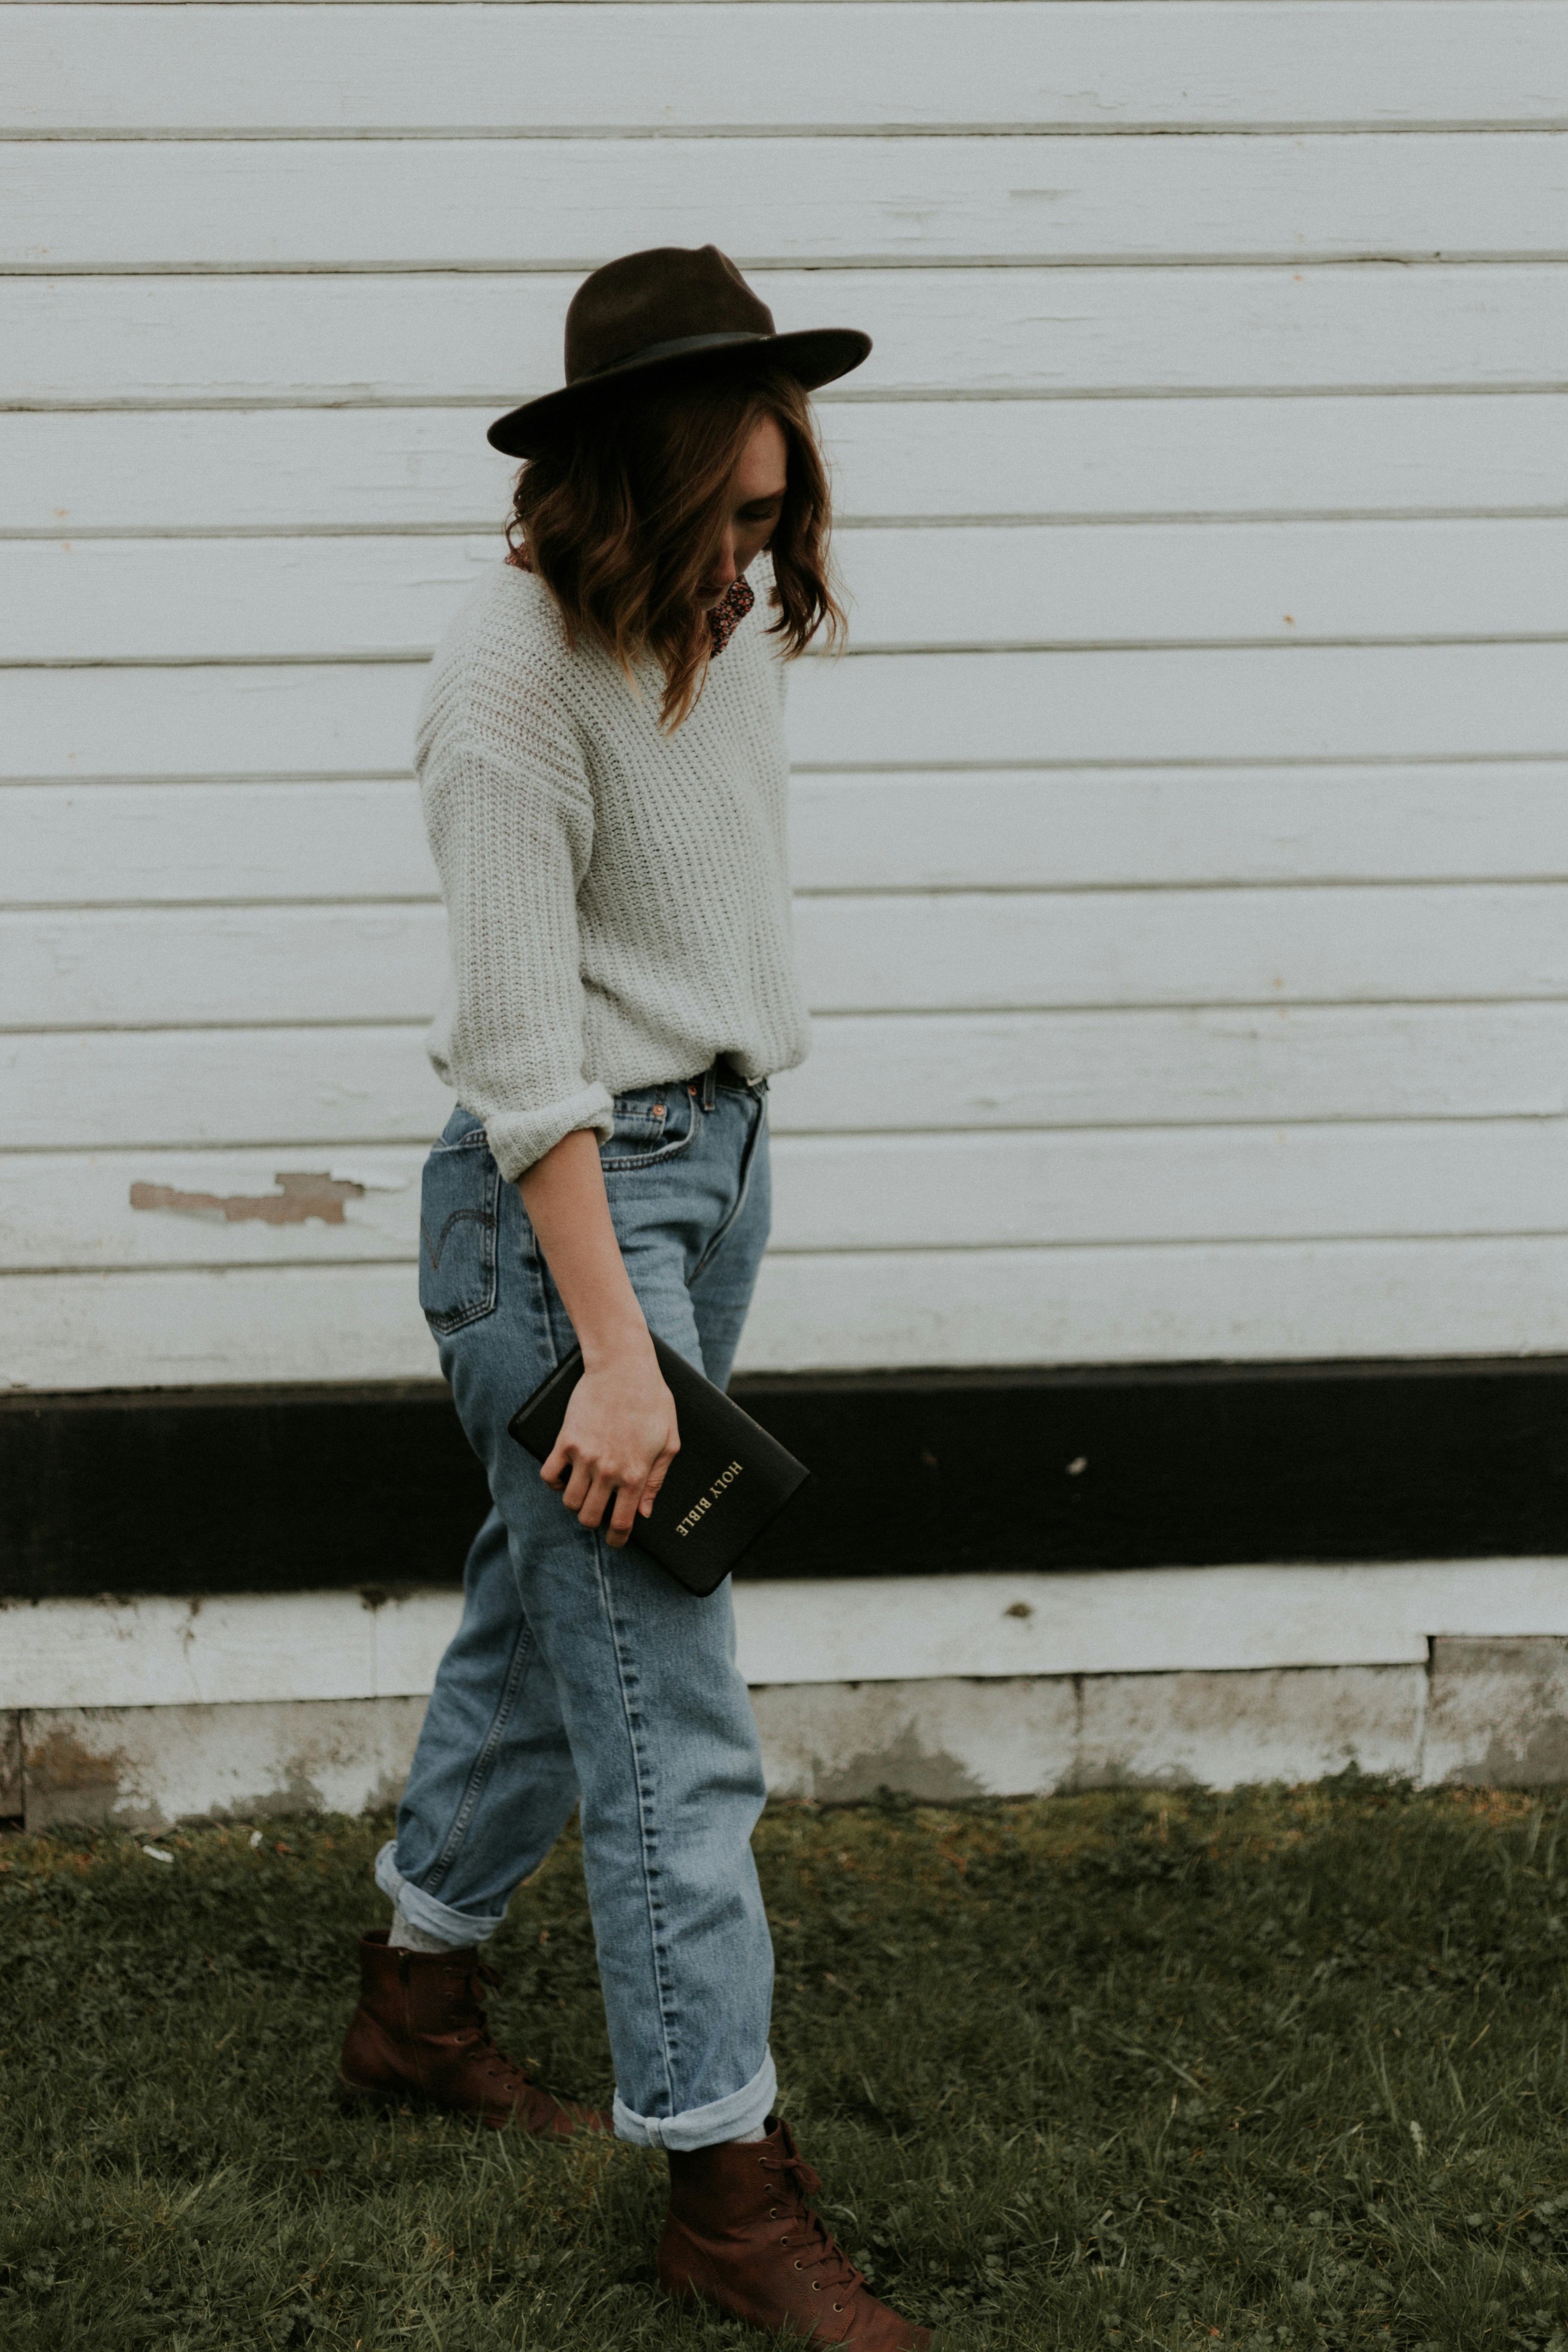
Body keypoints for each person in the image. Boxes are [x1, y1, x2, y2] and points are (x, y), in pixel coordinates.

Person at [335, 245, 931, 2350]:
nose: (763, 559)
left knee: (550, 1605)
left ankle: (416, 2001)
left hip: (716, 1168)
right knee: (672, 1714)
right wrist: (611, 1347)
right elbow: (517, 1058)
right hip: (566, 1221)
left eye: (783, 514)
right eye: (730, 519)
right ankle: (724, 2182)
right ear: (627, 485)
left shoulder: (719, 621)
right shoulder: (504, 680)